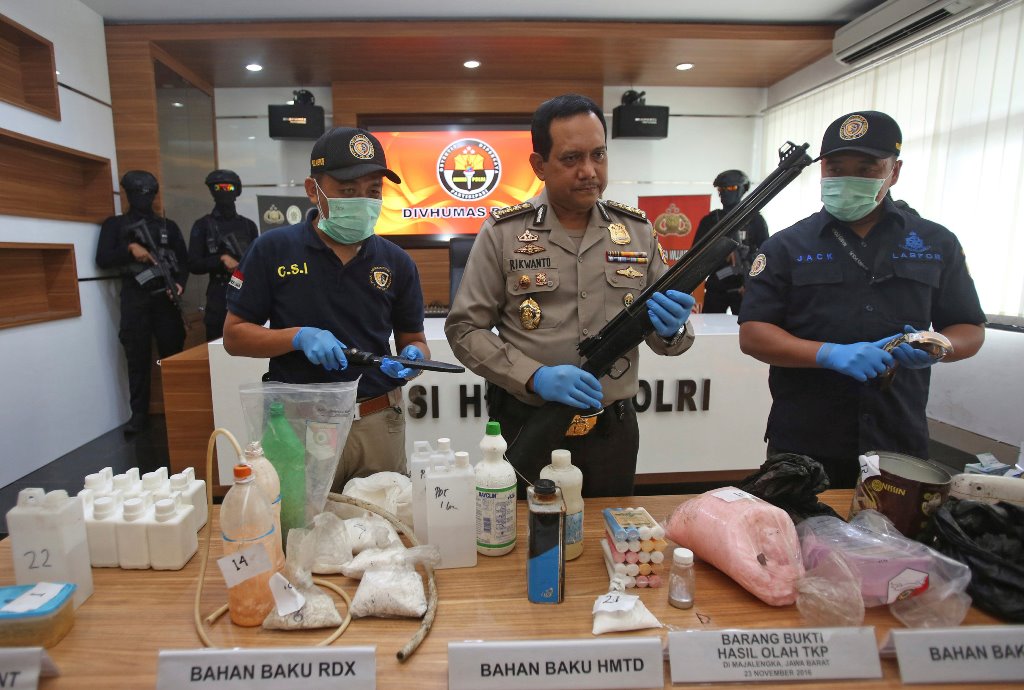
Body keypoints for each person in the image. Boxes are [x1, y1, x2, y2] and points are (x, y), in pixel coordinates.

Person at [445, 93, 697, 498]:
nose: (589, 171)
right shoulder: (504, 233)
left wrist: (673, 330)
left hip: (612, 432)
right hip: (529, 422)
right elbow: (464, 329)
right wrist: (534, 376)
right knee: (524, 531)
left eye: (599, 155)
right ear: (539, 165)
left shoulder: (637, 231)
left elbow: (670, 338)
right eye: (571, 158)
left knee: (609, 532)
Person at [738, 110, 985, 488]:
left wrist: (938, 345)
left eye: (866, 169)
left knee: (894, 526)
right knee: (796, 524)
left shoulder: (935, 243)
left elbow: (969, 327)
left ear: (894, 171)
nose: (847, 179)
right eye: (835, 169)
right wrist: (829, 354)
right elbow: (754, 334)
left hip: (897, 436)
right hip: (807, 437)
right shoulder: (787, 246)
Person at [223, 127, 429, 488]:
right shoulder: (273, 250)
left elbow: (415, 340)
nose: (362, 201)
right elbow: (234, 336)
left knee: (383, 518)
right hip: (299, 423)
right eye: (348, 191)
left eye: (373, 191)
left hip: (377, 422)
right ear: (312, 189)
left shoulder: (397, 262)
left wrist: (414, 360)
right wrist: (298, 337)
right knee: (301, 519)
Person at [96, 170, 189, 436]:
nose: (143, 199)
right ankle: (139, 415)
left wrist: (179, 283)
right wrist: (129, 249)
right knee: (137, 359)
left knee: (172, 357)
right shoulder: (115, 226)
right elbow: (103, 259)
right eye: (137, 193)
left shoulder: (167, 227)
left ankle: (177, 410)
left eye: (147, 194)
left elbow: (183, 262)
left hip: (165, 299)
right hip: (135, 298)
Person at [188, 169, 259, 341]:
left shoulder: (248, 226)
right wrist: (220, 260)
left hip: (245, 290)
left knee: (249, 342)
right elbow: (194, 264)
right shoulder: (203, 225)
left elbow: (258, 261)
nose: (223, 191)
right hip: (219, 292)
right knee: (217, 343)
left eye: (228, 187)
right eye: (218, 188)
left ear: (236, 190)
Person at [692, 169, 769, 314]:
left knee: (746, 325)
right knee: (710, 325)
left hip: (745, 286)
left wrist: (753, 282)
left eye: (731, 188)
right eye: (721, 189)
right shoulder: (711, 221)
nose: (724, 192)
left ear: (742, 189)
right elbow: (695, 255)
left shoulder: (755, 220)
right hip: (717, 286)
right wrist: (720, 251)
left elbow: (766, 255)